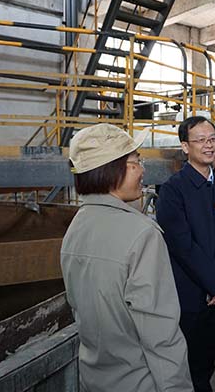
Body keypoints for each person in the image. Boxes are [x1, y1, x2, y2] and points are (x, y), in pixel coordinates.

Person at [61, 123, 192, 392]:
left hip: (93, 379)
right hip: (139, 382)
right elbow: (160, 334)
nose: (143, 170)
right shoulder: (143, 235)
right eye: (136, 162)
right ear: (112, 170)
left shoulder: (76, 228)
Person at [156, 116, 215, 392]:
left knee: (207, 359)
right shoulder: (173, 190)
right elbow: (182, 246)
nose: (209, 145)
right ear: (185, 147)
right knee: (188, 365)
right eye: (201, 140)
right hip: (192, 297)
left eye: (212, 139)